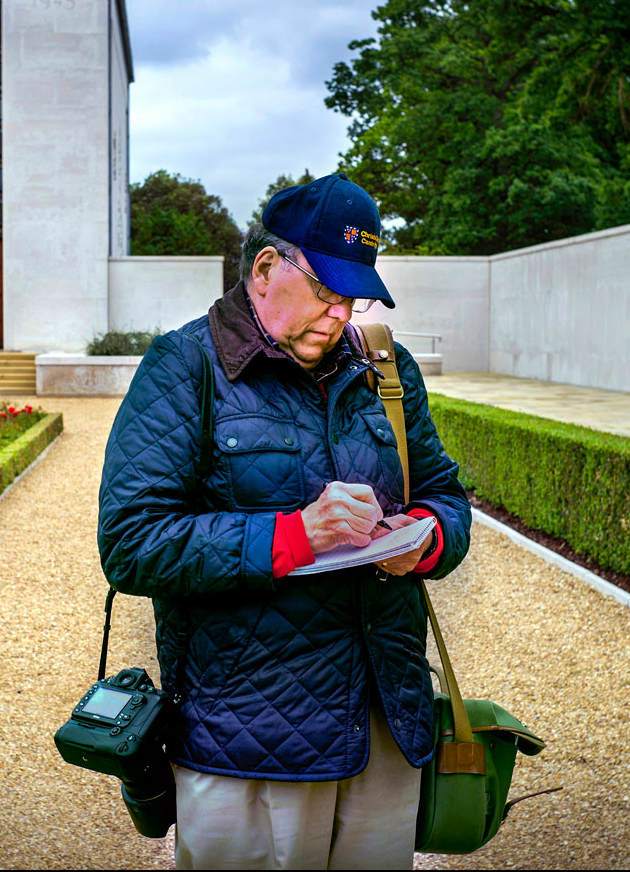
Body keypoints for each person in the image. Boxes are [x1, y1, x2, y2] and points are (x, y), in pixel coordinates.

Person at [97, 173, 471, 870]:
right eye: (326, 292)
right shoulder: (185, 367)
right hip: (250, 737)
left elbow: (448, 495)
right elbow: (131, 544)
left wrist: (418, 544)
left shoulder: (385, 366)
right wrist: (297, 535)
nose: (341, 313)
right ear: (267, 268)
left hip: (386, 725)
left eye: (352, 295)